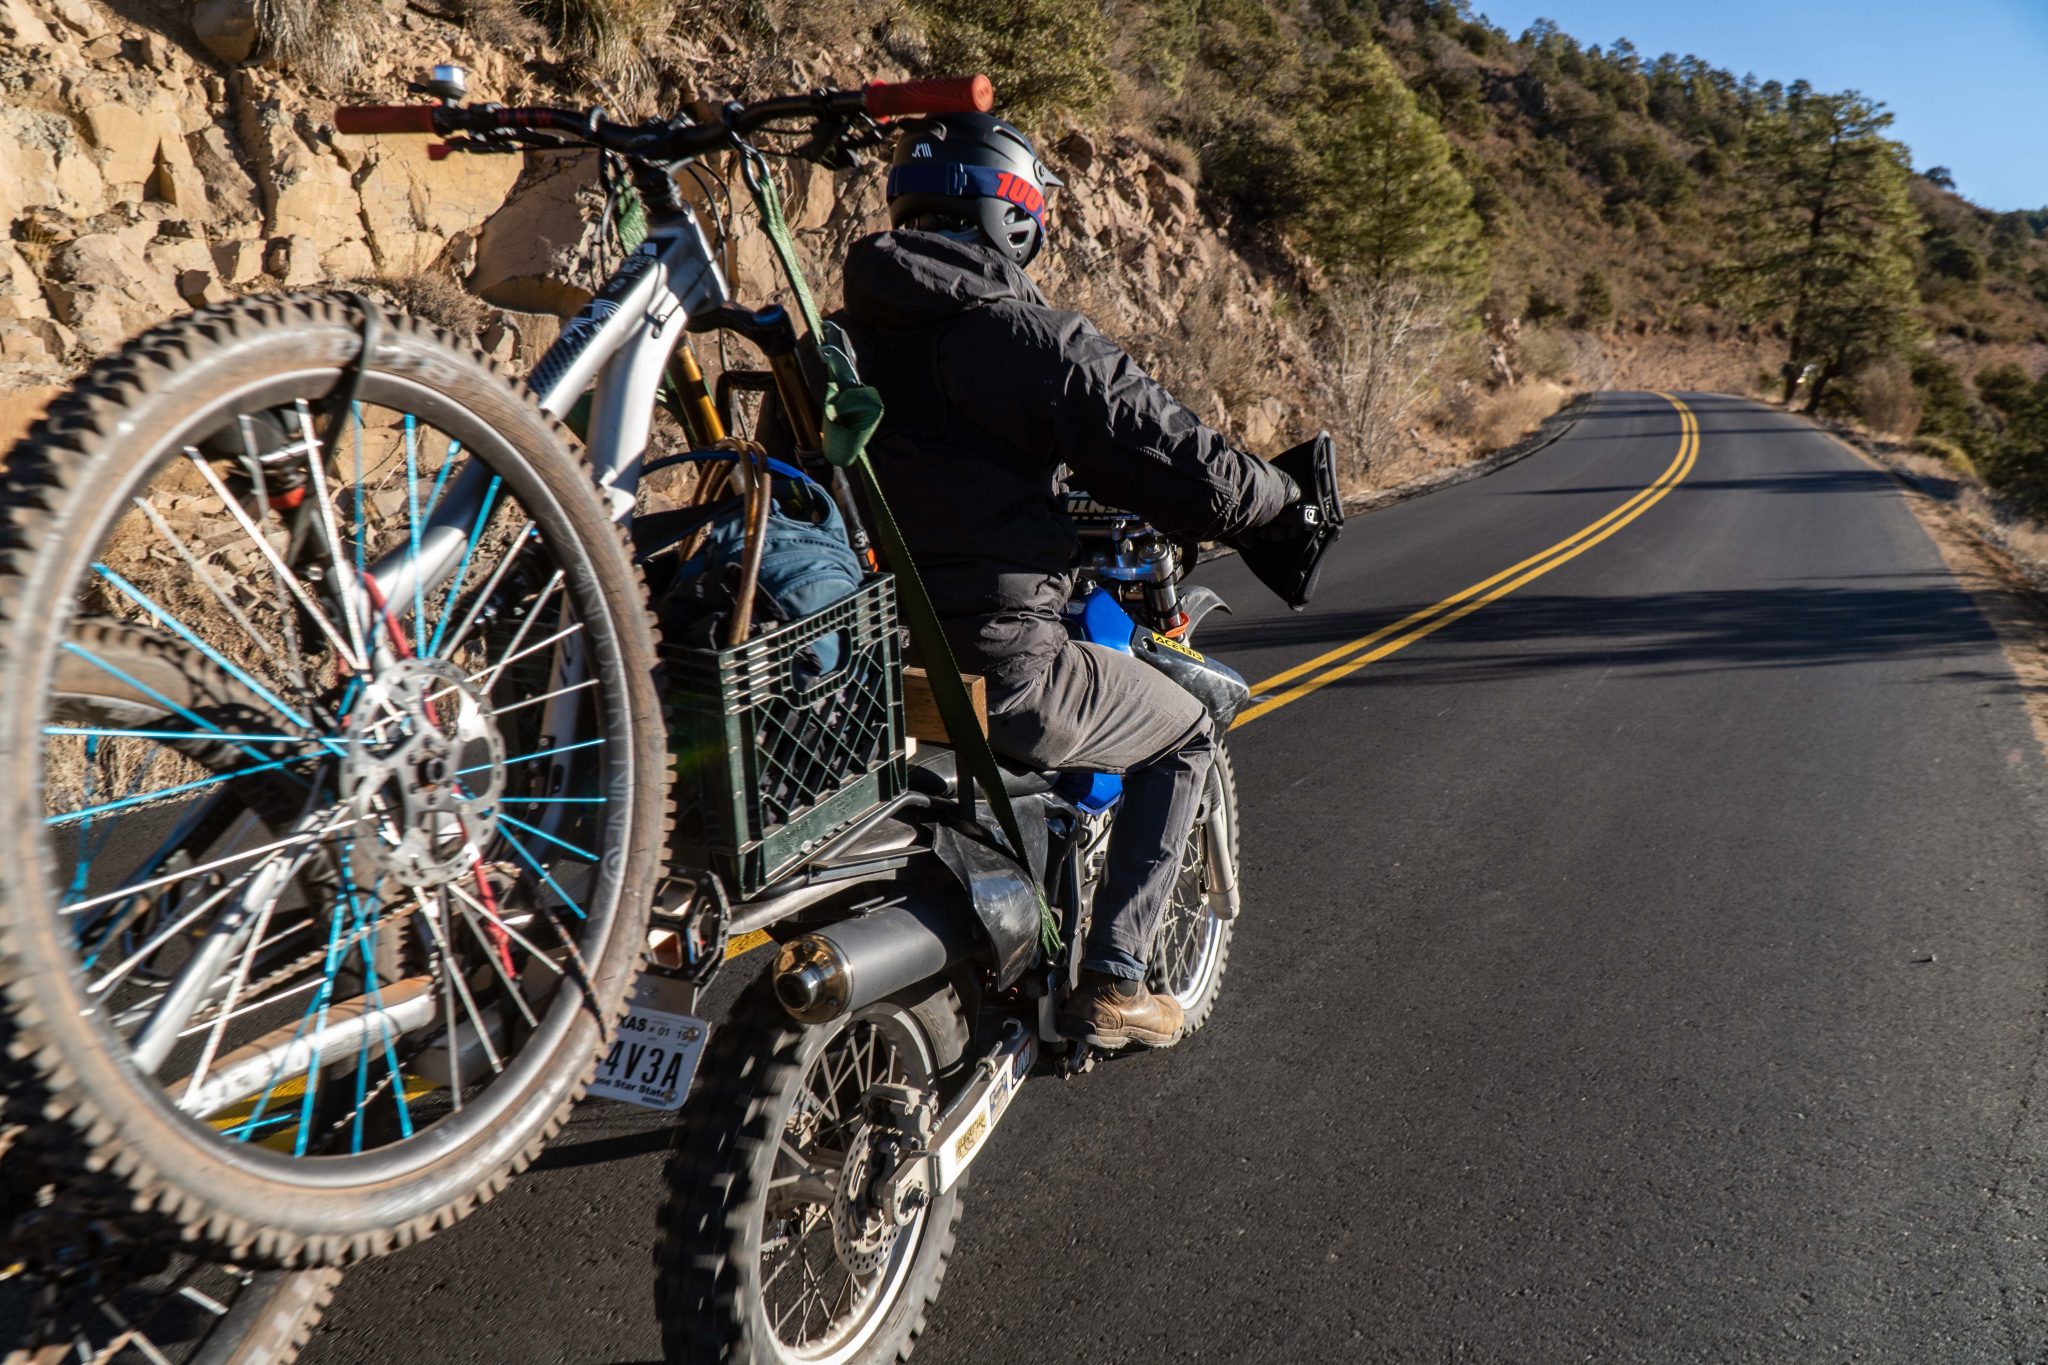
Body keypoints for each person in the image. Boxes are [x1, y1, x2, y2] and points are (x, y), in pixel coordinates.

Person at [833, 112, 1317, 1049]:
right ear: (1012, 216)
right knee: (1185, 729)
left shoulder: (834, 343)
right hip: (1002, 668)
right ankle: (1114, 983)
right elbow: (1189, 467)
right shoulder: (1027, 338)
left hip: (864, 664)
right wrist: (1279, 499)